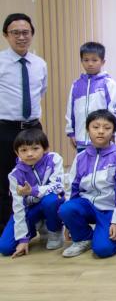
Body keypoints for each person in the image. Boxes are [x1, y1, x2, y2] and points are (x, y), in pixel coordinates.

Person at [0, 13, 46, 233]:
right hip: (5, 128)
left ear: (31, 34)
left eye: (25, 32)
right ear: (6, 35)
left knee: (39, 176)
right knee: (4, 178)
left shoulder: (40, 64)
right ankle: (6, 226)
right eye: (15, 33)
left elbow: (41, 91)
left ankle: (38, 223)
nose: (21, 37)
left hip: (33, 127)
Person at [59, 109, 116, 258]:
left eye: (107, 128)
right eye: (95, 127)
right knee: (66, 208)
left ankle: (101, 235)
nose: (101, 131)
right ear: (88, 129)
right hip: (86, 205)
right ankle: (84, 238)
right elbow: (72, 189)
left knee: (103, 249)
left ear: (113, 131)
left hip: (108, 209)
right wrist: (69, 223)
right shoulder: (80, 157)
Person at [0, 129, 64, 257]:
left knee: (51, 201)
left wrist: (33, 191)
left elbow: (58, 186)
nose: (29, 154)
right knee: (5, 248)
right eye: (23, 150)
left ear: (45, 148)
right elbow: (18, 207)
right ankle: (34, 228)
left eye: (35, 148)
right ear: (16, 153)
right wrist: (23, 239)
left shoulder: (54, 159)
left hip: (49, 203)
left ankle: (54, 232)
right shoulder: (14, 175)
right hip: (29, 210)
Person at [65, 41, 116, 152]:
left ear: (103, 62)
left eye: (94, 60)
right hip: (81, 139)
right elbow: (70, 111)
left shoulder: (108, 83)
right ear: (81, 61)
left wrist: (114, 133)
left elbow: (115, 110)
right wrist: (71, 132)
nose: (90, 64)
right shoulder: (76, 84)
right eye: (86, 60)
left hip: (103, 138)